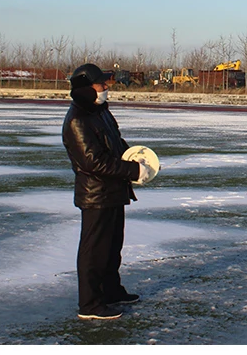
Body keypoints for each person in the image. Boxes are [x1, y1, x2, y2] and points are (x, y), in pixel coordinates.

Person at [62, 63, 155, 320]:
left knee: (113, 247)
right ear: (86, 89)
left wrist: (138, 160)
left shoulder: (100, 113)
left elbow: (117, 144)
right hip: (95, 195)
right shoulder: (77, 120)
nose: (105, 89)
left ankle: (111, 292)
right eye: (100, 85)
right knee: (95, 250)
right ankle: (90, 304)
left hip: (113, 191)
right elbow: (94, 162)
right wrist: (132, 171)